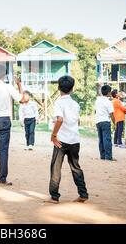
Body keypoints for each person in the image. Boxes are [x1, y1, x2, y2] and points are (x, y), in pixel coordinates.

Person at [45, 76, 88, 204]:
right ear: (72, 89)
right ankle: (83, 193)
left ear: (58, 88)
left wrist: (53, 135)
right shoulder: (75, 104)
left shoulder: (59, 103)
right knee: (75, 167)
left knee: (56, 168)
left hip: (61, 141)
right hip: (74, 139)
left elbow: (60, 119)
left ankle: (54, 196)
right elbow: (74, 120)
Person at [95, 85, 115, 161]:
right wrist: (114, 123)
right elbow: (111, 114)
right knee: (107, 139)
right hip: (105, 121)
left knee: (101, 139)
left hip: (98, 121)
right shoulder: (108, 102)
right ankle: (108, 157)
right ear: (109, 92)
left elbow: (96, 111)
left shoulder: (97, 100)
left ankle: (102, 156)